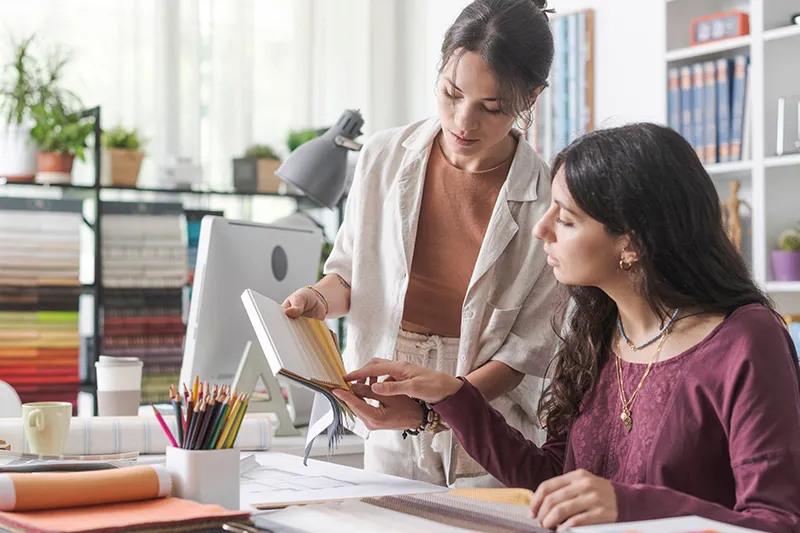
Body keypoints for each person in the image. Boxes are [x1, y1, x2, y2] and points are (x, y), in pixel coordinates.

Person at [333, 123, 800, 532]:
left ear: (631, 244)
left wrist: (629, 506)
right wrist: (452, 397)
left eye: (567, 218)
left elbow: (776, 521)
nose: (542, 229)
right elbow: (549, 478)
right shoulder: (598, 333)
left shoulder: (746, 342)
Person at [282, 0, 561, 487]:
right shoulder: (383, 157)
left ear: (530, 99)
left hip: (486, 416)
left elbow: (523, 353)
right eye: (452, 93)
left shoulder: (547, 200)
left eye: (490, 108)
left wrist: (438, 409)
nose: (463, 122)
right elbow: (349, 273)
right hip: (386, 403)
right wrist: (318, 299)